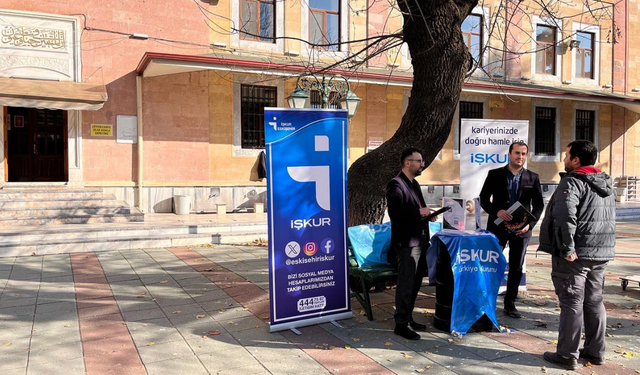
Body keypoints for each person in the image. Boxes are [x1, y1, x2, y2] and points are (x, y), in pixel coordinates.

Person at [539, 140, 616, 370]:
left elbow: (565, 216)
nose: (563, 159)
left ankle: (566, 354)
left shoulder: (572, 182)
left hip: (576, 255)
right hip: (600, 253)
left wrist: (566, 248)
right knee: (594, 302)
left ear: (576, 160)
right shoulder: (606, 183)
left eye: (566, 155)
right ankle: (595, 351)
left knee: (572, 302)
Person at [479, 141, 544, 318]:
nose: (520, 157)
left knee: (516, 267)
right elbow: (483, 199)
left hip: (521, 231)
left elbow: (539, 205)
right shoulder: (495, 174)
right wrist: (496, 211)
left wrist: (529, 225)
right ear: (509, 154)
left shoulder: (533, 177)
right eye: (517, 153)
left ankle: (510, 303)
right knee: (492, 265)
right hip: (498, 227)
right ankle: (487, 302)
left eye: (523, 154)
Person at [386, 148, 437, 340]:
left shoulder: (414, 184)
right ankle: (400, 324)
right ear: (408, 163)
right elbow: (396, 213)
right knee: (406, 283)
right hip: (407, 243)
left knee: (416, 283)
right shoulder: (395, 185)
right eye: (419, 161)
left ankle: (408, 318)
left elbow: (419, 210)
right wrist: (420, 213)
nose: (422, 164)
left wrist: (428, 216)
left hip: (420, 240)